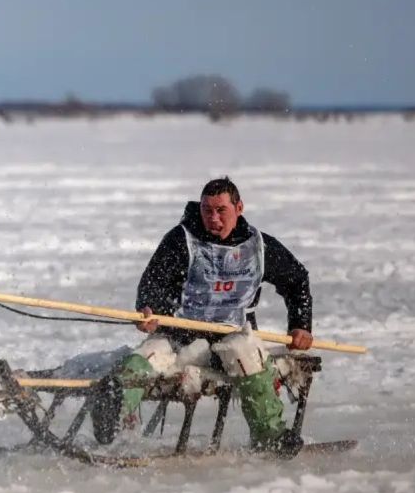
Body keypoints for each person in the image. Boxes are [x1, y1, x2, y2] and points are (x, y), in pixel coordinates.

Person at [90, 177, 312, 457]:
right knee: (147, 358)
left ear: (239, 207)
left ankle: (269, 433)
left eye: (221, 210)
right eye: (207, 210)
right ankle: (112, 408)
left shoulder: (259, 247)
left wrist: (301, 325)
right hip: (179, 336)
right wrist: (148, 310)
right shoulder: (181, 239)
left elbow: (296, 280)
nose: (213, 218)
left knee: (248, 356)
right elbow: (153, 282)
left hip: (231, 336)